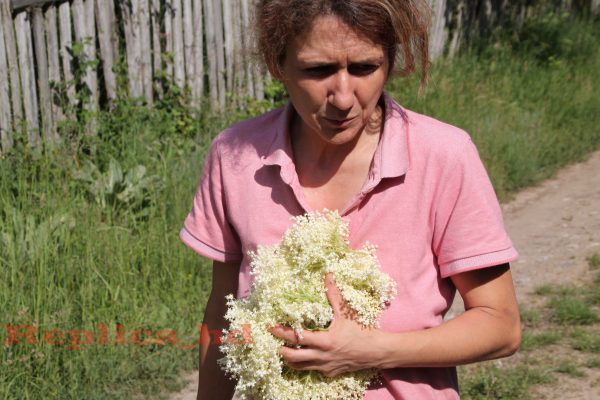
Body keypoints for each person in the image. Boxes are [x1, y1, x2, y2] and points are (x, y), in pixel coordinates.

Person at [180, 0, 521, 399]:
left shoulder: (443, 156)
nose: (343, 97)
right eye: (318, 70)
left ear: (389, 62)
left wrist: (371, 351)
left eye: (364, 67)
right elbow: (222, 314)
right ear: (278, 64)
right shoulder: (235, 156)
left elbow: (500, 326)